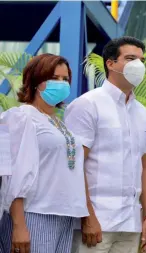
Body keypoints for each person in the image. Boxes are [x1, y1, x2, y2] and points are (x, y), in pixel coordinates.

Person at [65, 36, 146, 253]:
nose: (138, 66)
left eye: (141, 60)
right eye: (130, 58)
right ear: (110, 63)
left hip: (131, 223)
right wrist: (87, 217)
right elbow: (74, 165)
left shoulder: (142, 113)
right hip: (95, 222)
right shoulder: (87, 105)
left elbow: (145, 166)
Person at [0, 53, 88, 253]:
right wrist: (19, 225)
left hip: (64, 215)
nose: (61, 84)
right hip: (34, 214)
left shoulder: (57, 121)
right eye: (54, 78)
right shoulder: (21, 117)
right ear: (35, 81)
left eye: (65, 79)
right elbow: (13, 175)